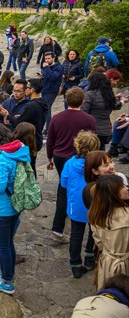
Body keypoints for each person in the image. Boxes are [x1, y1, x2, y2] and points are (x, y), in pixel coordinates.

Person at [0, 122, 30, 294]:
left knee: (3, 246)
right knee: (8, 243)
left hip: (1, 209)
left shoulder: (3, 159)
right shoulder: (18, 150)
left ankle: (7, 282)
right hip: (15, 204)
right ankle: (5, 275)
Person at [47, 87, 97, 241]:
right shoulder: (89, 119)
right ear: (83, 101)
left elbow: (50, 141)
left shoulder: (56, 118)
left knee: (63, 190)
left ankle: (57, 228)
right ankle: (82, 215)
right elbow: (94, 141)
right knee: (83, 187)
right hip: (81, 157)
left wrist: (49, 159)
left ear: (66, 100)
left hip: (60, 157)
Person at [60, 130, 100, 278]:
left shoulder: (70, 163)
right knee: (93, 231)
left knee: (76, 235)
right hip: (94, 204)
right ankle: (90, 256)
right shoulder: (97, 164)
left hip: (76, 204)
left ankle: (75, 265)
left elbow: (63, 183)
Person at [87, 175, 129, 290]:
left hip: (107, 262)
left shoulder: (95, 214)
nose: (127, 188)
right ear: (114, 193)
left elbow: (98, 242)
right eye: (122, 187)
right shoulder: (127, 215)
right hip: (125, 263)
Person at [82, 72, 123, 150]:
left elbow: (84, 112)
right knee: (101, 152)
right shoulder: (108, 94)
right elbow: (113, 105)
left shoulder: (89, 94)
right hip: (105, 130)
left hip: (92, 130)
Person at [40, 52, 63, 134]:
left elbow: (52, 77)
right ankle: (47, 128)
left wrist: (46, 68)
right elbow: (46, 76)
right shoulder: (46, 67)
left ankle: (49, 129)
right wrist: (41, 76)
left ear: (53, 58)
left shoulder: (58, 67)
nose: (47, 60)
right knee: (45, 109)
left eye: (49, 58)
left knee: (47, 108)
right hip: (44, 89)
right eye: (46, 58)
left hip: (52, 90)